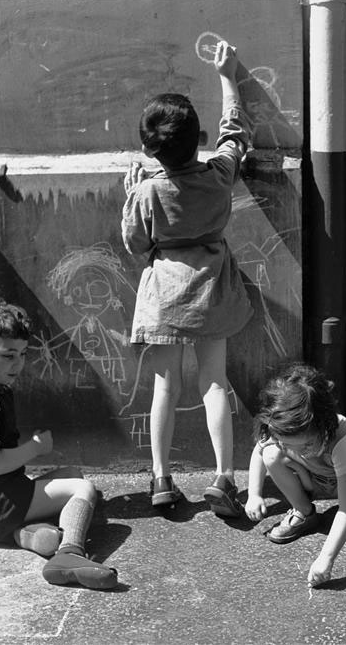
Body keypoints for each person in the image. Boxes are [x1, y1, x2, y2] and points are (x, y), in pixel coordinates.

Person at [121, 41, 253, 517]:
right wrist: (227, 74)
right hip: (213, 292)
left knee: (165, 388)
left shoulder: (147, 190)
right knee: (214, 384)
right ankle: (223, 477)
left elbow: (136, 245)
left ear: (146, 147)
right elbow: (233, 134)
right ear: (197, 138)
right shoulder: (219, 175)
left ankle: (161, 479)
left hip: (164, 299)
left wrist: (132, 190)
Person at [0, 296, 118, 590]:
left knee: (72, 474)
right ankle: (70, 555)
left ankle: (22, 534)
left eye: (23, 354)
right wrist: (34, 447)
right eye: (8, 355)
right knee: (83, 489)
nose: (18, 363)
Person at [246, 363, 346, 586]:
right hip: (314, 482)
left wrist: (326, 559)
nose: (297, 450)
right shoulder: (281, 427)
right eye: (290, 444)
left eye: (305, 445)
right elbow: (259, 452)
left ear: (323, 427)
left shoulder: (342, 438)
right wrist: (254, 495)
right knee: (270, 454)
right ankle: (305, 512)